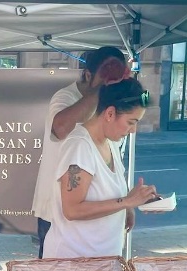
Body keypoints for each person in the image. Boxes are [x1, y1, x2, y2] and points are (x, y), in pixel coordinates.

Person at [42, 78, 157, 259]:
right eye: (131, 122)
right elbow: (72, 210)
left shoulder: (110, 143)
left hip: (100, 263)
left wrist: (131, 204)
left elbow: (107, 195)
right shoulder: (79, 146)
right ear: (110, 113)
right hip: (72, 266)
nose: (133, 130)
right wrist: (126, 202)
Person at [32, 46, 128, 258]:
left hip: (92, 214)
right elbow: (61, 127)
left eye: (116, 77)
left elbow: (144, 103)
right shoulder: (65, 97)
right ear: (88, 75)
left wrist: (126, 205)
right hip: (56, 211)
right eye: (106, 76)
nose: (112, 84)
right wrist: (100, 91)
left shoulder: (110, 105)